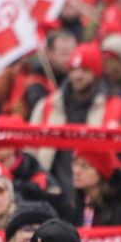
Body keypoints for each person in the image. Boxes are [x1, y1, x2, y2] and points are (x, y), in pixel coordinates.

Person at [29, 43, 111, 192]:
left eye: (85, 70)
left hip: (94, 190)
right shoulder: (48, 105)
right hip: (53, 189)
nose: (77, 76)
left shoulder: (111, 105)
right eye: (73, 69)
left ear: (96, 73)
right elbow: (30, 147)